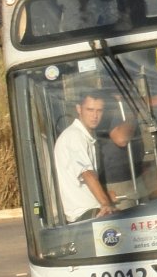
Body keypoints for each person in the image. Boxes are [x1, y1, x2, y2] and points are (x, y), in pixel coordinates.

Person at [54, 89, 116, 222]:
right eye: (90, 110)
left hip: (91, 210)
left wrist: (106, 197)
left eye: (99, 111)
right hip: (84, 215)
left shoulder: (84, 136)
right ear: (79, 109)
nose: (95, 116)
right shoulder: (74, 136)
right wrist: (106, 204)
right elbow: (87, 175)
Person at [98, 101, 148, 209]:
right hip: (119, 183)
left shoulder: (126, 101)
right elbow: (121, 138)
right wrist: (131, 115)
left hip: (136, 175)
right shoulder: (108, 105)